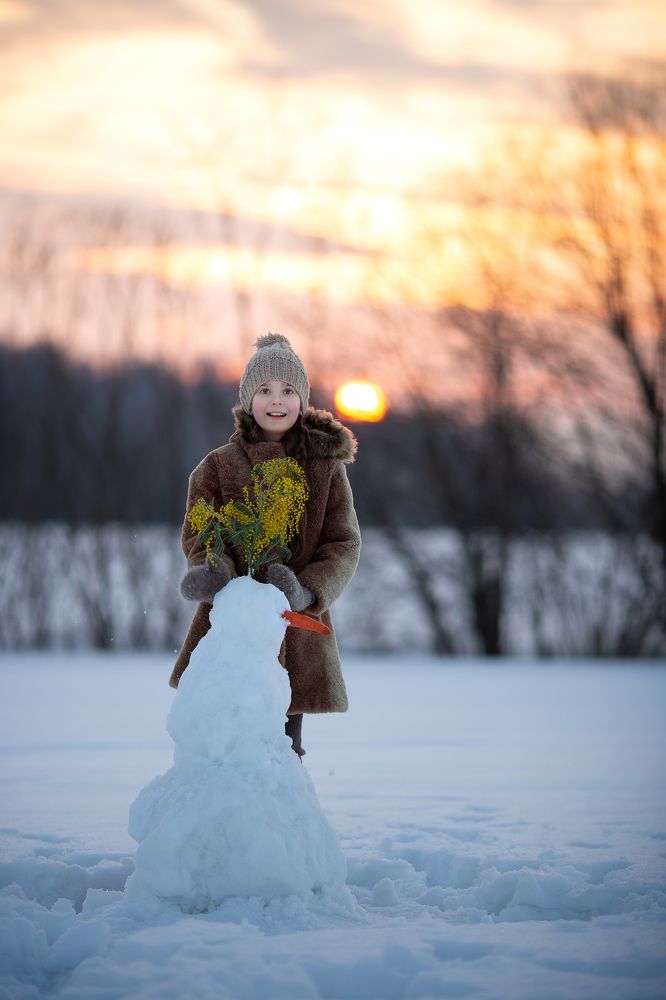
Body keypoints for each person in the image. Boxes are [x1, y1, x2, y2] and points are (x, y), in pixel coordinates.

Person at [169, 333, 361, 757]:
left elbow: (343, 543)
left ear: (302, 400)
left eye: (288, 390)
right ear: (248, 399)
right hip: (231, 625)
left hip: (294, 628)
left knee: (283, 746)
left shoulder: (325, 469)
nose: (277, 400)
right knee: (223, 739)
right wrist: (215, 572)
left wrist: (305, 591)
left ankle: (284, 796)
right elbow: (201, 531)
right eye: (265, 390)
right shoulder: (217, 466)